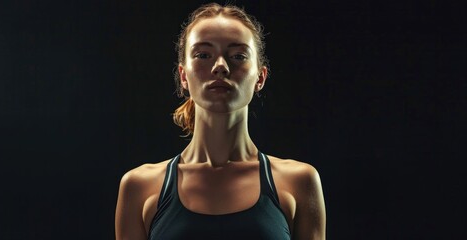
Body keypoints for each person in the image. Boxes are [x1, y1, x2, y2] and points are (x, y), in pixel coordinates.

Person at [115, 3, 326, 240]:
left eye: (238, 56)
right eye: (203, 55)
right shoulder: (140, 187)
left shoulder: (298, 182)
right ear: (184, 75)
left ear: (260, 77)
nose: (220, 67)